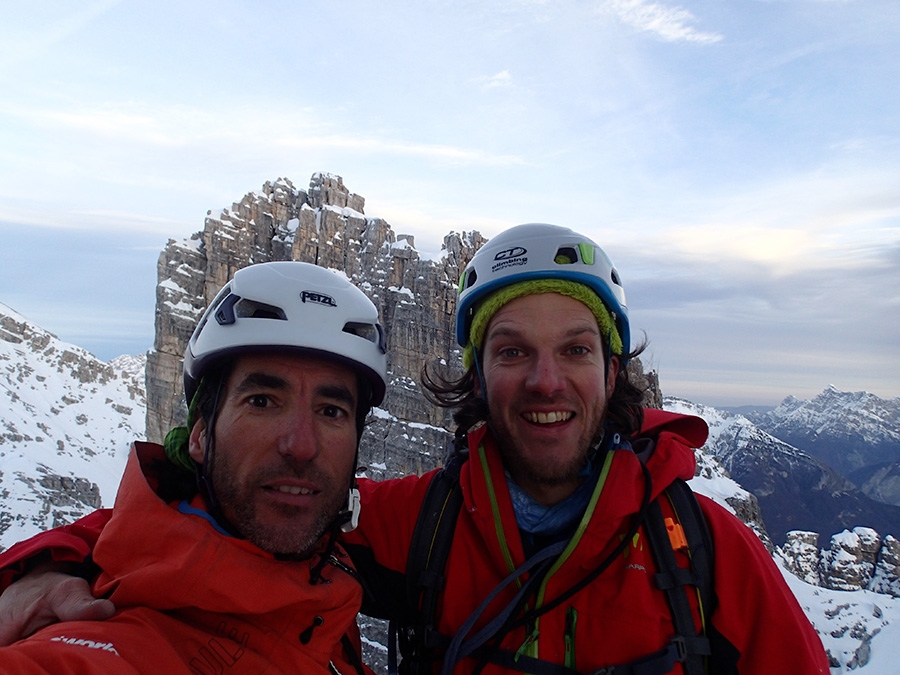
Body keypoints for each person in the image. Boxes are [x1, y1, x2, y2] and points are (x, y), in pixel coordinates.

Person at [0, 225, 829, 674]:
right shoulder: (417, 525)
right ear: (476, 376)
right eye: (511, 351)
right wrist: (51, 567)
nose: (546, 380)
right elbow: (224, 516)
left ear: (615, 371)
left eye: (576, 349)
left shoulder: (708, 552)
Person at [0, 261, 389, 673]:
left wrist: (42, 561)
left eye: (331, 411)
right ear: (200, 436)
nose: (301, 445)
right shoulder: (113, 641)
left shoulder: (330, 556)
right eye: (261, 401)